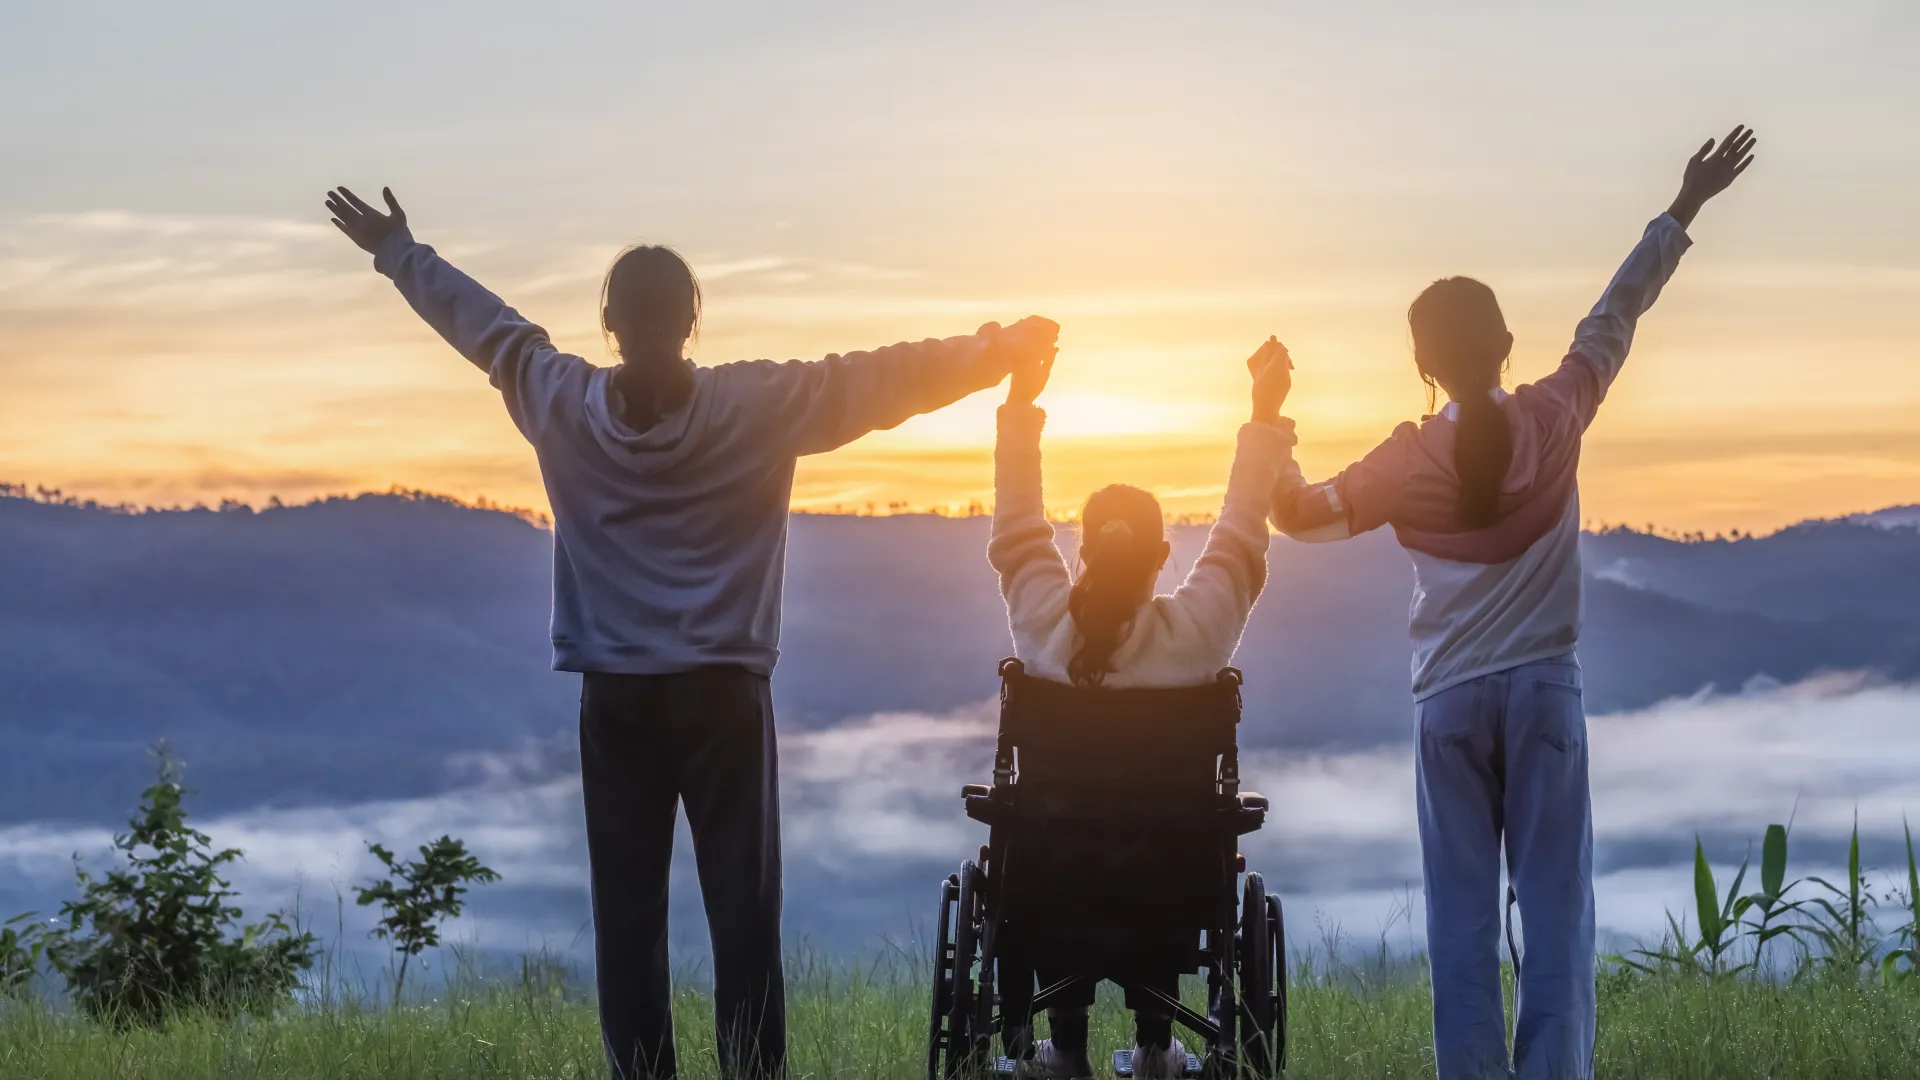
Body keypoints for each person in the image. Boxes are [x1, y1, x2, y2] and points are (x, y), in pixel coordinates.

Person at [323, 185, 1060, 1080]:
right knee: (742, 917)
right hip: (724, 695)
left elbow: (484, 326)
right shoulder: (759, 404)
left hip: (616, 698)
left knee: (628, 920)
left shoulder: (557, 398)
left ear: (608, 321)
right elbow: (882, 377)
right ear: (693, 320)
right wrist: (997, 354)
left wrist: (399, 249)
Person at [1265, 127, 1757, 1080]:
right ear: (1505, 345)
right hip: (1544, 698)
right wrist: (1683, 207)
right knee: (1558, 915)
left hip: (1447, 705)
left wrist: (1269, 418)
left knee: (1459, 923)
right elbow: (1616, 316)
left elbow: (1298, 516)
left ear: (1423, 366)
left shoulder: (1404, 460)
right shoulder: (1555, 413)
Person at [989, 334, 1296, 1079]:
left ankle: (1062, 1051)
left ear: (1082, 554)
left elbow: (1018, 531)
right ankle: (1158, 1049)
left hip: (1051, 883)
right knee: (1161, 854)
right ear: (1162, 558)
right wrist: (1262, 415)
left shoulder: (1042, 632)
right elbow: (1239, 538)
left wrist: (1020, 408)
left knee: (1056, 849)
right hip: (1170, 891)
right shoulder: (1197, 640)